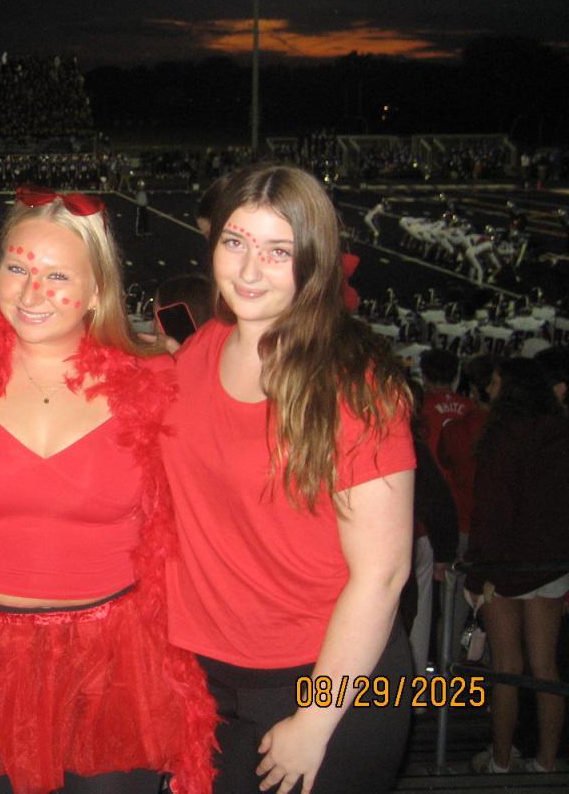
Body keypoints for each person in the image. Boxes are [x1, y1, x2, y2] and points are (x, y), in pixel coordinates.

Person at [0, 185, 215, 794]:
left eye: (57, 275)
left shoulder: (154, 381)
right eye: (17, 268)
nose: (30, 292)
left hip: (114, 664)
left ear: (97, 290)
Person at [162, 164, 417, 794]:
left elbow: (383, 574)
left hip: (327, 680)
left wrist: (316, 719)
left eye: (278, 251)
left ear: (315, 261)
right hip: (206, 678)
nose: (249, 270)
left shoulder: (354, 384)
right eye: (235, 242)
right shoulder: (200, 350)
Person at [465, 358, 569, 775]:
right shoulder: (561, 432)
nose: (488, 390)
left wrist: (477, 574)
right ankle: (546, 761)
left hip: (505, 565)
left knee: (506, 666)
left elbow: (492, 511)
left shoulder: (501, 435)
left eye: (494, 382)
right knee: (545, 666)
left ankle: (501, 760)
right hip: (552, 563)